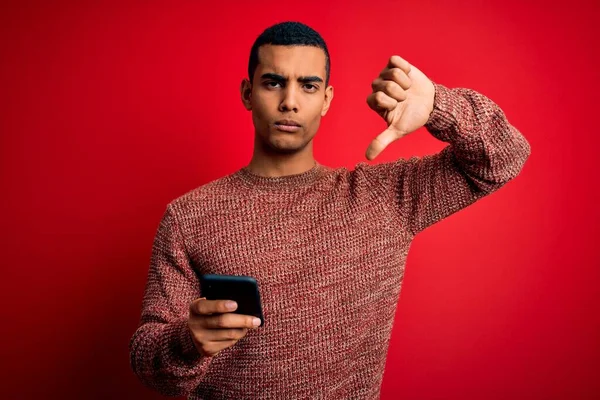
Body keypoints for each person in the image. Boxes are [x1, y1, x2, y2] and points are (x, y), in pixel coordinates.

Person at [129, 21, 531, 399]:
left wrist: (440, 107)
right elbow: (147, 359)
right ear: (248, 93)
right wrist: (186, 341)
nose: (289, 102)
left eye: (307, 86)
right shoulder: (189, 216)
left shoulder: (385, 196)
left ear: (326, 99)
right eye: (273, 83)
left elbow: (505, 157)